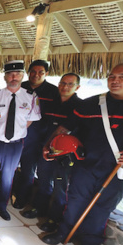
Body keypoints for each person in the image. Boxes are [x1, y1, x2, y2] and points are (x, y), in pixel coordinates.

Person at [41, 64, 123, 245]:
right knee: (75, 198)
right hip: (86, 163)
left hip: (120, 168)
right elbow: (67, 127)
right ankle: (64, 232)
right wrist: (50, 144)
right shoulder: (91, 104)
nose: (115, 80)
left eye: (122, 77)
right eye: (111, 76)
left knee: (104, 205)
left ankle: (91, 243)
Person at [0, 61, 41, 221]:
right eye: (10, 74)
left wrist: (16, 132)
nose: (14, 77)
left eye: (18, 74)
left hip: (15, 144)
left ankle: (1, 205)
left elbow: (30, 120)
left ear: (22, 76)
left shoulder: (31, 97)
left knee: (8, 177)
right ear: (5, 76)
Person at [22, 73, 82, 220]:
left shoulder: (80, 107)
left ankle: (54, 219)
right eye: (62, 83)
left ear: (77, 87)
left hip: (66, 154)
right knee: (44, 180)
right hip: (46, 149)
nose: (65, 87)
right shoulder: (50, 102)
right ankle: (39, 209)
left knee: (61, 187)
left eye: (70, 84)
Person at [14, 60, 61, 209]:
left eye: (40, 72)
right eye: (33, 71)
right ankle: (8, 193)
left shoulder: (53, 92)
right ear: (28, 73)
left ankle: (22, 199)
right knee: (10, 168)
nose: (36, 75)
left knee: (28, 171)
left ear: (46, 74)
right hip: (15, 136)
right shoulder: (20, 87)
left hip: (36, 139)